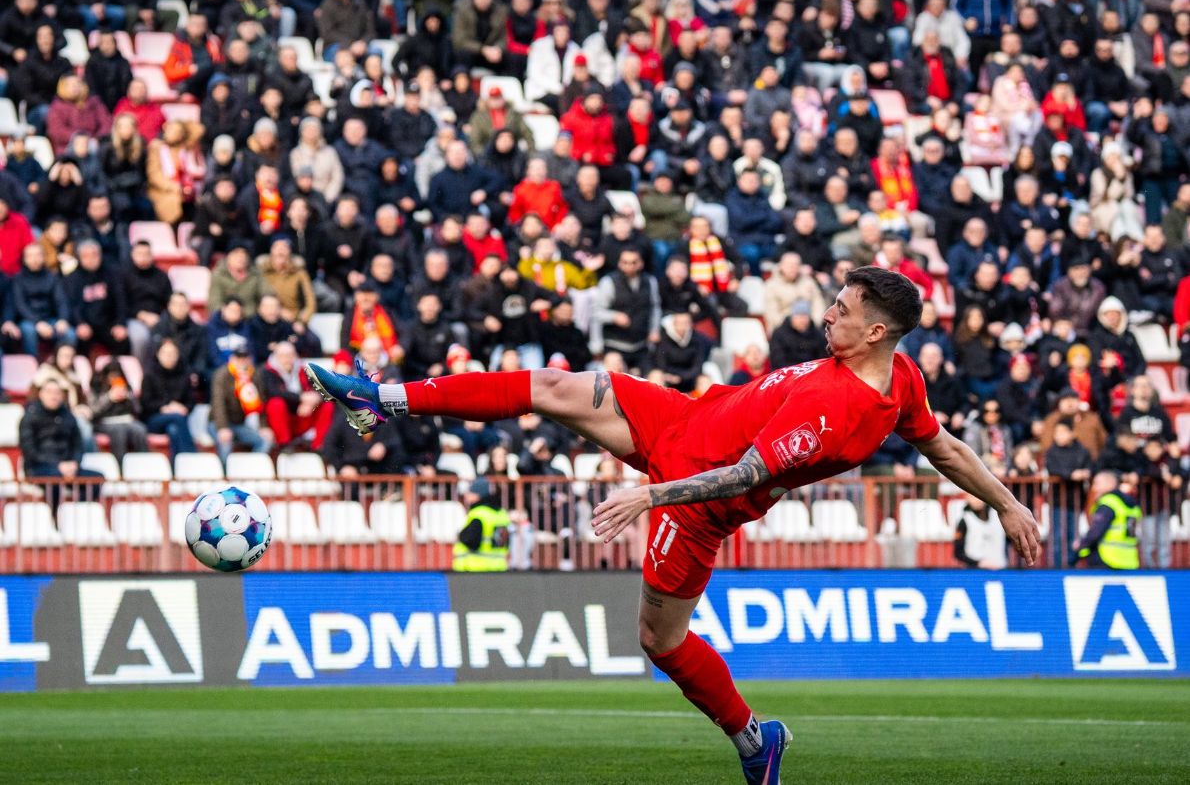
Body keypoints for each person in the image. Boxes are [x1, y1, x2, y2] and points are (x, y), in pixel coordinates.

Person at [306, 267, 1040, 783]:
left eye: (843, 310)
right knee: (553, 385)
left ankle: (754, 741)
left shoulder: (839, 411)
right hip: (684, 419)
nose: (828, 314)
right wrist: (1007, 502)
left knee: (659, 641)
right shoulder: (899, 376)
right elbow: (945, 445)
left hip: (694, 506)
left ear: (877, 330)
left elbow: (745, 476)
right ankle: (380, 400)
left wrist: (651, 496)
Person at [19, 380, 104, 514]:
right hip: (39, 468)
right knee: (54, 480)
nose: (54, 396)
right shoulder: (30, 416)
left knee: (97, 478)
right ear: (41, 394)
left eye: (57, 393)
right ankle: (55, 518)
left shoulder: (68, 416)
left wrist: (74, 463)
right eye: (49, 392)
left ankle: (75, 514)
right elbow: (29, 450)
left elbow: (78, 445)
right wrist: (58, 465)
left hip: (68, 467)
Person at [1073, 471, 1141, 569]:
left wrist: (1082, 544)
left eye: (1097, 483)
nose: (1094, 488)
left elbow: (1096, 531)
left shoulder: (1108, 502)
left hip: (1107, 558)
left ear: (1109, 483)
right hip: (1129, 559)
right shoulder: (1130, 503)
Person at [452, 477, 512, 572]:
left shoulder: (478, 514)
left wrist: (460, 536)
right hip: (498, 567)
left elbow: (472, 541)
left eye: (470, 492)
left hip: (476, 568)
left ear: (478, 494)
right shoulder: (502, 514)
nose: (466, 495)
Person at [952, 494, 1008, 569]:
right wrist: (978, 563)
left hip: (1001, 570)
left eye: (978, 494)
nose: (976, 499)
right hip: (975, 572)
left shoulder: (999, 517)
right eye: (972, 496)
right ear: (967, 498)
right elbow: (958, 552)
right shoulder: (963, 521)